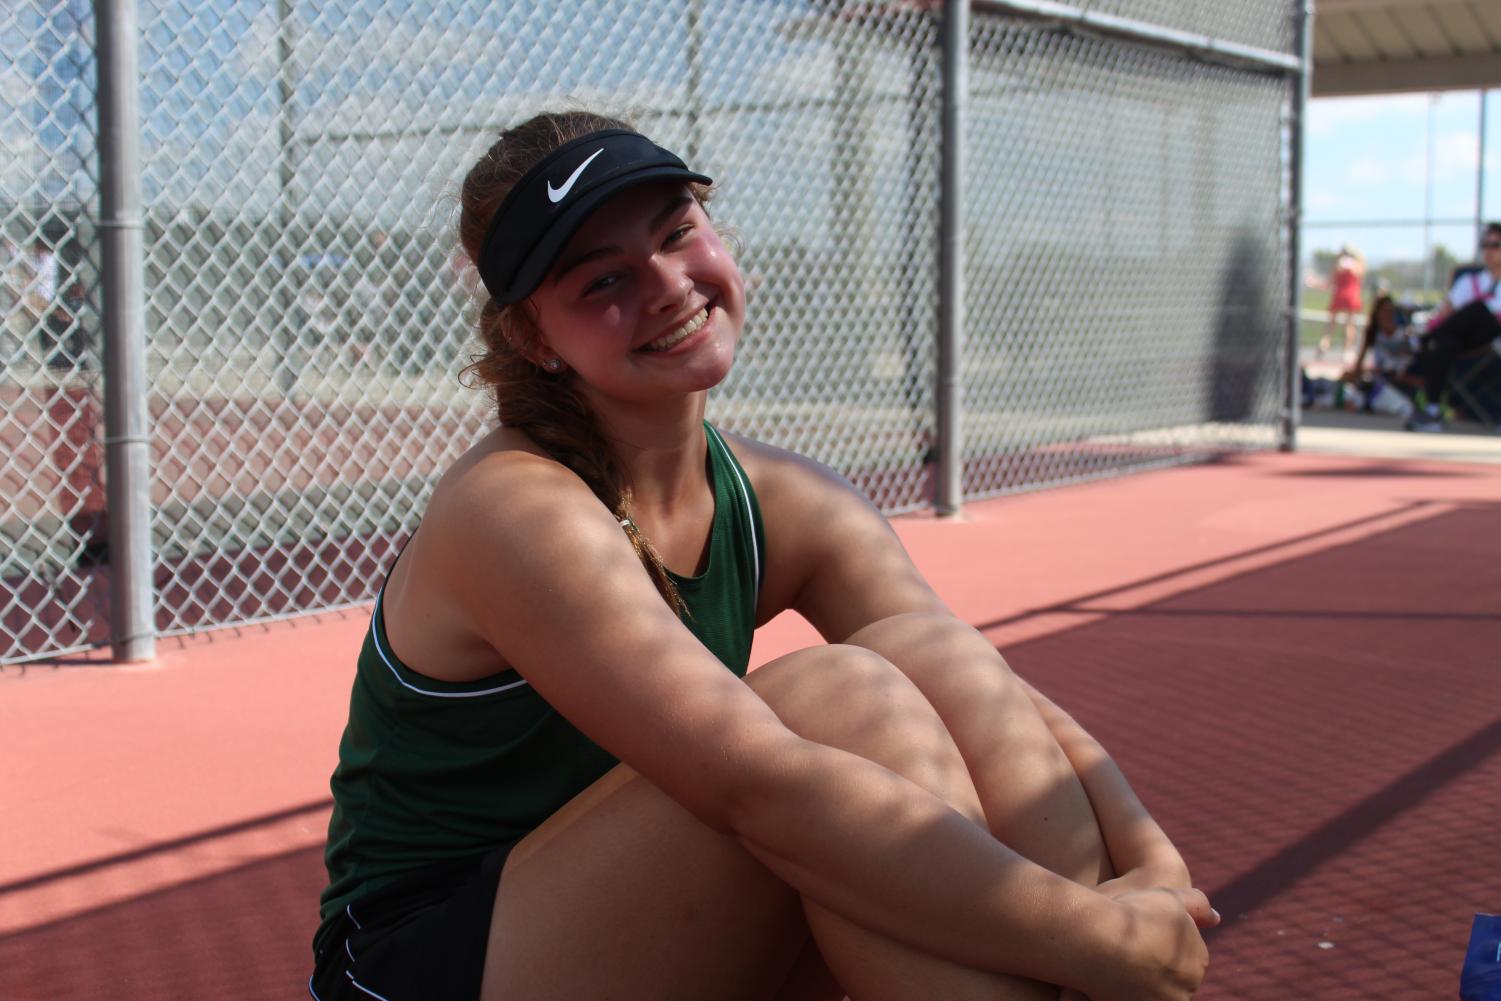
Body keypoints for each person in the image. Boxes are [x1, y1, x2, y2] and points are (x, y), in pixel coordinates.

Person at [309, 110, 1217, 1001]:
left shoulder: (780, 498)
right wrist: (1093, 935)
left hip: (648, 922)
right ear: (533, 339)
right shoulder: (514, 509)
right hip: (429, 961)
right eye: (602, 281)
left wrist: (1148, 865)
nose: (666, 284)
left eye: (676, 233)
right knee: (842, 705)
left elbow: (981, 685)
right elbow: (757, 790)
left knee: (922, 655)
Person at [1405, 224, 1501, 433]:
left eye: (1495, 245)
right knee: (1445, 343)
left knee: (1477, 308)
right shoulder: (1470, 281)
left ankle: (1423, 341)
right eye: (1486, 245)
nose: (1489, 251)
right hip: (1466, 337)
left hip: (1495, 335)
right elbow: (1446, 311)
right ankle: (1432, 410)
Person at [1318, 244, 1365, 360]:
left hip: (1340, 294)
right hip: (1352, 296)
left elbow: (1329, 283)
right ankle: (1347, 351)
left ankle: (1325, 343)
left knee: (1331, 324)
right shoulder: (1357, 265)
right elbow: (1360, 277)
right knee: (1349, 324)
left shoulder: (1338, 265)